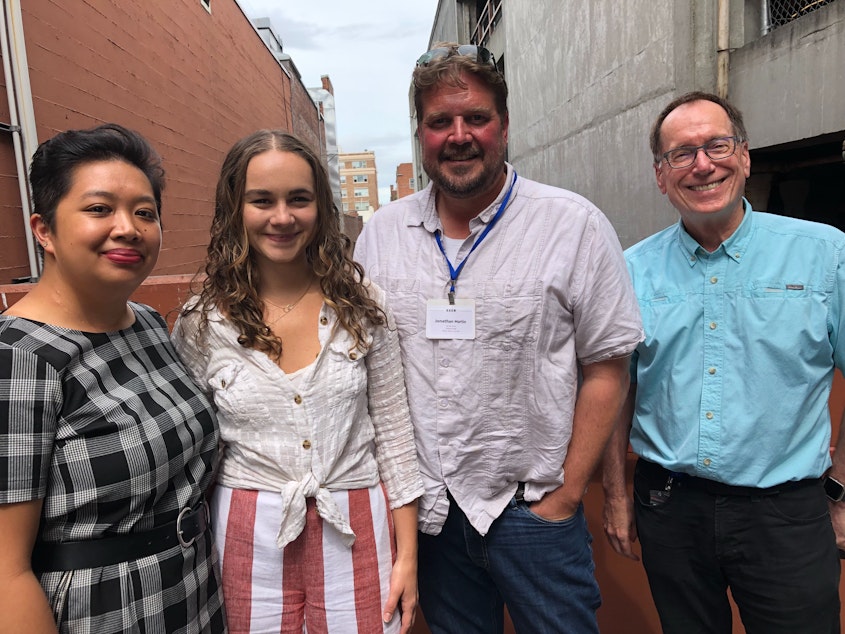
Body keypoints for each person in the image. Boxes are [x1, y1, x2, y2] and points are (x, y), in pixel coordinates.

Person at [354, 43, 643, 634]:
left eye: (477, 118)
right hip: (430, 518)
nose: (459, 135)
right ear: (421, 134)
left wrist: (564, 499)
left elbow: (607, 366)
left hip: (532, 513)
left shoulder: (573, 225)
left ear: (505, 127)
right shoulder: (380, 236)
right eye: (440, 122)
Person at [602, 91, 845, 633]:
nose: (703, 164)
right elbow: (618, 390)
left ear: (746, 155)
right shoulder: (630, 270)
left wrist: (842, 492)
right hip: (670, 510)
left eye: (717, 145)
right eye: (682, 154)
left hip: (786, 514)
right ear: (661, 176)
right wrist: (616, 497)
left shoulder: (826, 254)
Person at [172, 130, 424, 634]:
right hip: (245, 533)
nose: (282, 217)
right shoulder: (202, 323)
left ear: (321, 207)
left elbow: (395, 435)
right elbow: (193, 450)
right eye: (262, 200)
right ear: (234, 208)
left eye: (299, 199)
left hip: (355, 522)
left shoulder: (360, 304)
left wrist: (408, 559)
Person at [0, 124, 226, 633]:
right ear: (44, 229)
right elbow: (4, 573)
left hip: (193, 597)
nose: (128, 228)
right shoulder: (19, 358)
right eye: (99, 209)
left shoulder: (146, 322)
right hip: (103, 614)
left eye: (145, 213)